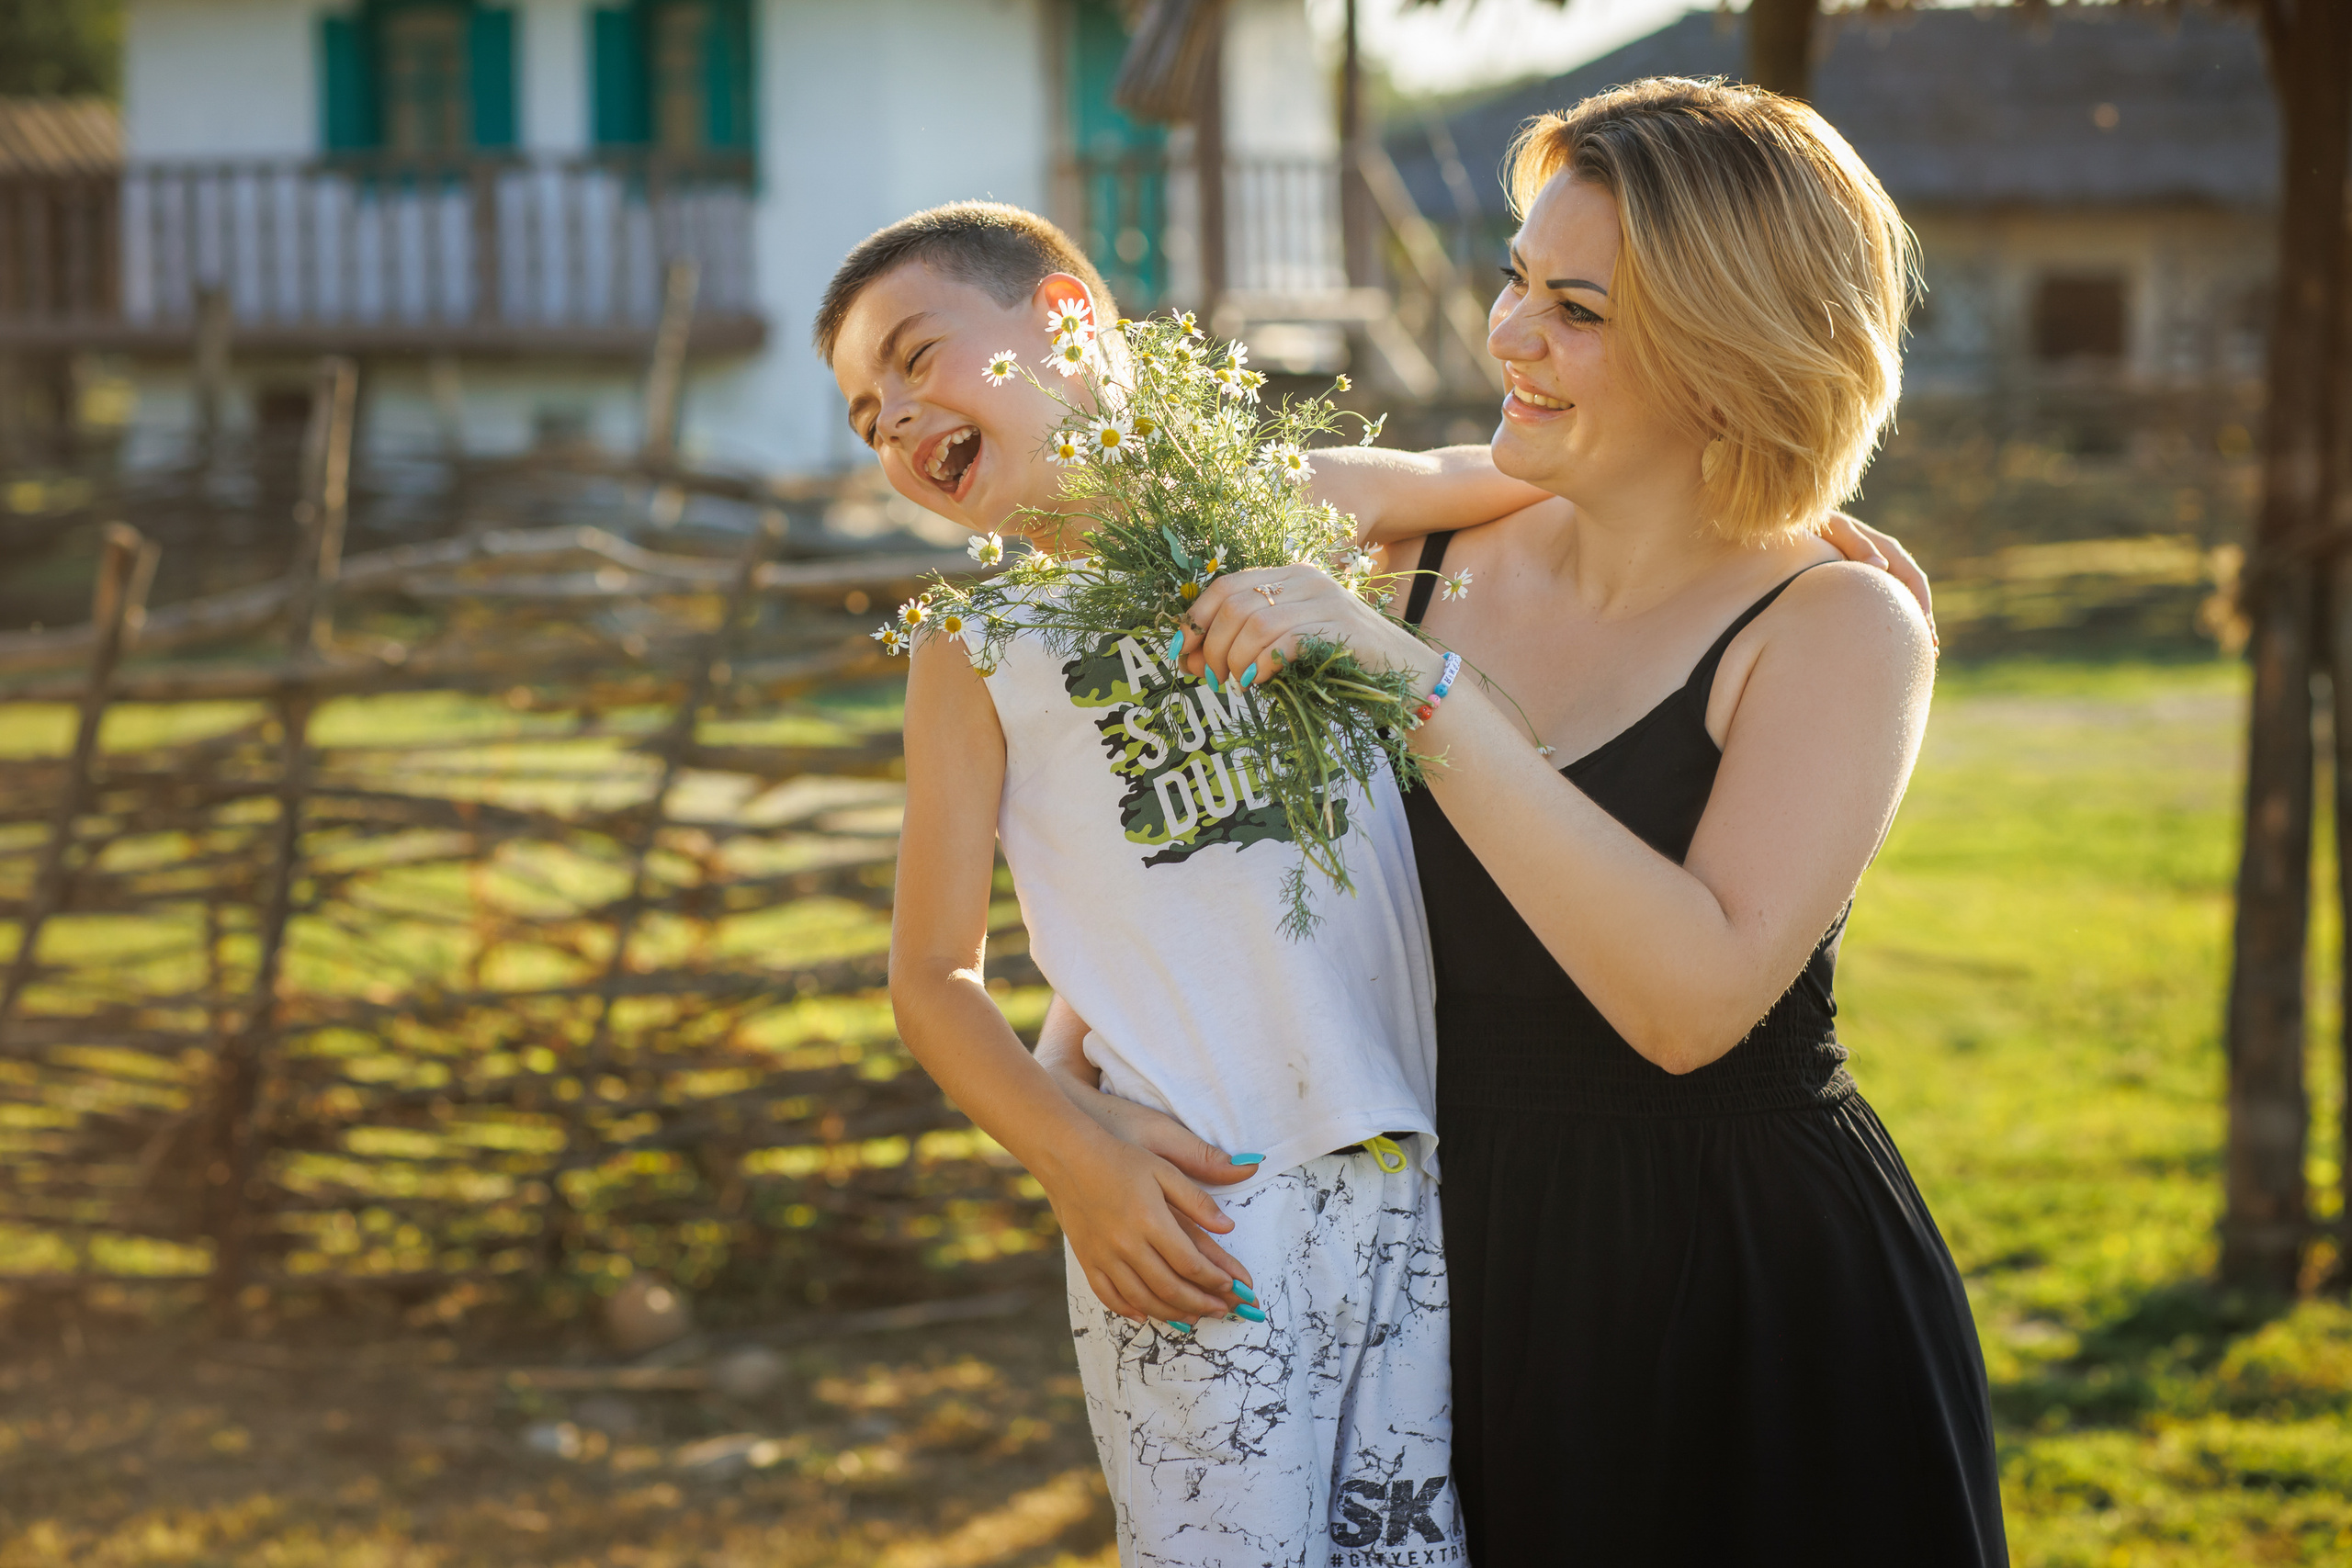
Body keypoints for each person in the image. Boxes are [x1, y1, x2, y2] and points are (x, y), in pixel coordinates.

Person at [1046, 79, 2005, 1564]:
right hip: (1429, 1281)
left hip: (1730, 1302)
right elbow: (1087, 523)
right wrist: (1069, 1110)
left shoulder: (1836, 628)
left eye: (1576, 309)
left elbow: (1688, 1004)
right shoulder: (1414, 541)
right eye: (1516, 279)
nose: (1506, 334)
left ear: (1727, 347)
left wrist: (1417, 691)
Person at [820, 200, 1536, 1564]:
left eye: (917, 359)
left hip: (1408, 1171)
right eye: (865, 417)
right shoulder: (976, 647)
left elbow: (1533, 475)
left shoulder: (1296, 510)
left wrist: (1783, 531)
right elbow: (930, 978)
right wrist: (1073, 1155)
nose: (898, 421)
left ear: (1069, 322)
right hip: (1190, 1207)